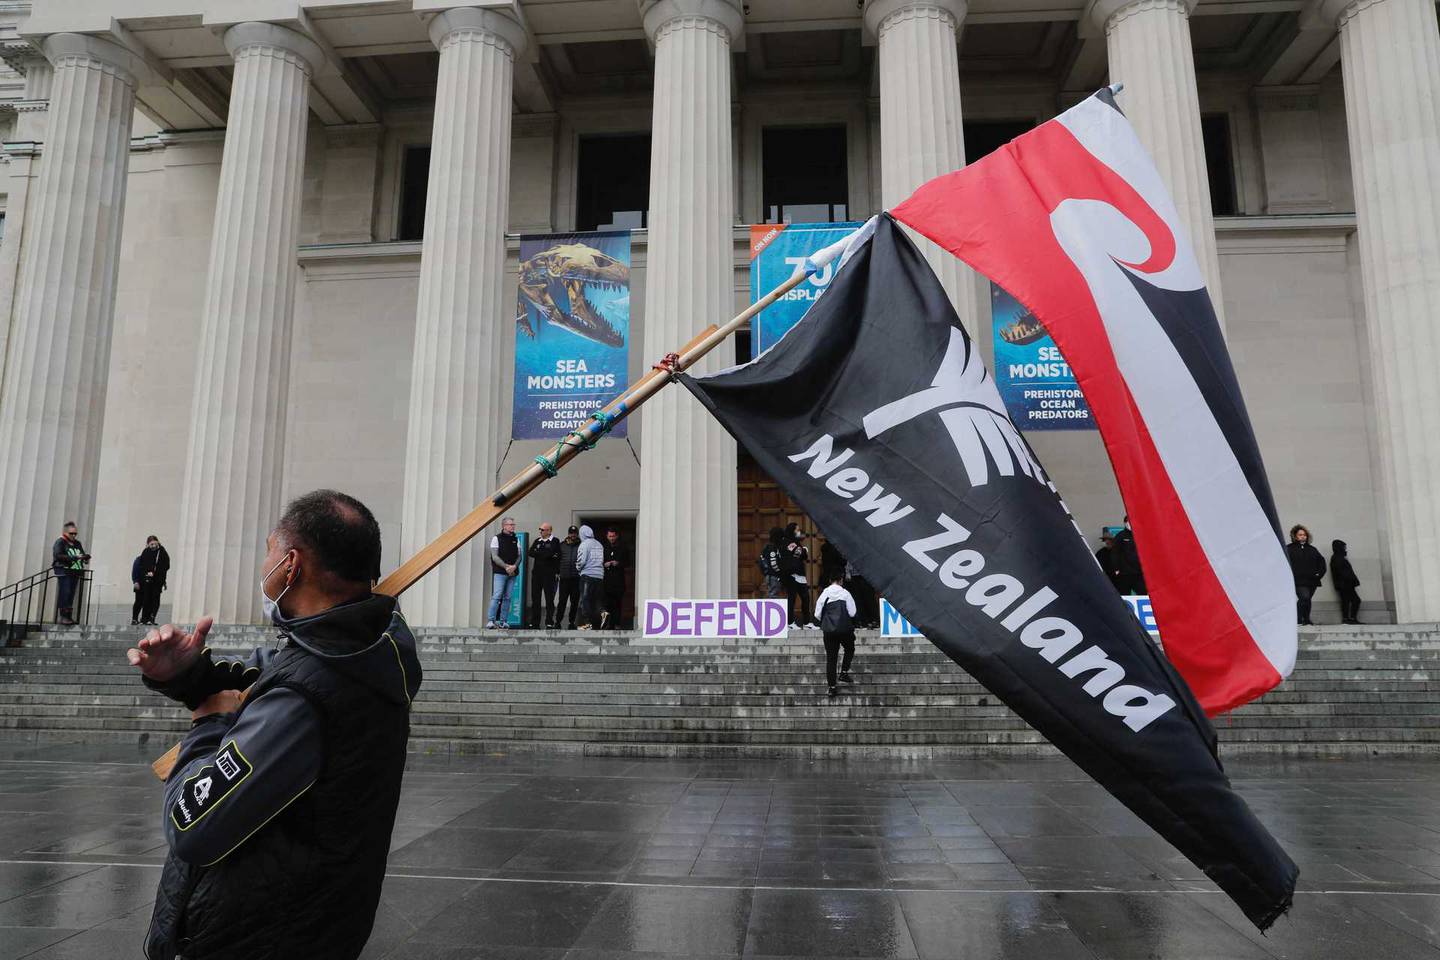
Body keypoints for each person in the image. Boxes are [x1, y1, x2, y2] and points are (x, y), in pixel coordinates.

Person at [126, 489, 422, 960]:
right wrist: (186, 675)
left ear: (290, 564)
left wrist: (209, 723)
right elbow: (266, 672)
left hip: (254, 935)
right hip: (313, 922)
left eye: (268, 549)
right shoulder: (360, 649)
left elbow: (192, 824)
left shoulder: (306, 695)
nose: (263, 562)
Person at [814, 572, 857, 698]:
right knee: (850, 648)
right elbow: (853, 612)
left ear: (830, 579)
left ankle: (832, 687)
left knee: (831, 658)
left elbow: (817, 613)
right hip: (844, 630)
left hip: (829, 631)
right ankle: (843, 672)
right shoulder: (845, 593)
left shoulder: (825, 593)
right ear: (841, 580)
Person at [1286, 524, 1326, 625]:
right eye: (1300, 535)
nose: (1303, 536)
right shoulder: (1289, 549)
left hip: (1312, 580)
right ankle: (1298, 619)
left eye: (1304, 535)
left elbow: (1322, 563)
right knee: (1304, 598)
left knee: (1307, 600)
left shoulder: (1312, 549)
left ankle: (1306, 619)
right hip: (1298, 580)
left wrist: (1319, 574)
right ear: (1295, 536)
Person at [51, 521, 90, 625]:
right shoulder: (60, 542)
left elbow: (81, 553)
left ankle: (68, 616)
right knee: (65, 592)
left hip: (75, 570)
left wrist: (85, 557)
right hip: (63, 570)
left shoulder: (77, 543)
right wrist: (74, 557)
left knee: (71, 593)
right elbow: (58, 555)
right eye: (71, 533)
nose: (73, 535)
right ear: (65, 533)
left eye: (75, 533)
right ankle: (63, 616)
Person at [485, 516, 519, 629]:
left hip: (512, 573)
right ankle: (491, 620)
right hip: (500, 572)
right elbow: (495, 556)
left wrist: (514, 566)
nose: (513, 526)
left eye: (513, 525)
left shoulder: (516, 538)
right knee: (497, 595)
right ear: (504, 526)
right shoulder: (496, 538)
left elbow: (520, 555)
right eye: (511, 524)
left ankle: (503, 621)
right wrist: (506, 567)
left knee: (508, 597)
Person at [131, 535, 171, 625]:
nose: (152, 546)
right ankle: (142, 619)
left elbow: (166, 566)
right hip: (146, 581)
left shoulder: (162, 552)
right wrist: (137, 580)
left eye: (154, 543)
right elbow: (140, 566)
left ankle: (151, 618)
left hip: (157, 581)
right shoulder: (145, 553)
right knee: (144, 600)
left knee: (155, 599)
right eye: (151, 544)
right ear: (148, 545)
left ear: (157, 542)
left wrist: (161, 579)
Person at [528, 522, 561, 628]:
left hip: (549, 574)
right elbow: (531, 552)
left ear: (549, 531)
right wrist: (546, 554)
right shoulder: (537, 541)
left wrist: (542, 553)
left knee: (549, 598)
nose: (540, 531)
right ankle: (535, 621)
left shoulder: (555, 541)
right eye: (540, 529)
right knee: (535, 598)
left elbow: (555, 554)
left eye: (542, 530)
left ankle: (549, 620)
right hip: (537, 574)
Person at [784, 522, 815, 629]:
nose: (798, 532)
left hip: (800, 575)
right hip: (792, 575)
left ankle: (806, 623)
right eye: (796, 530)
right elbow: (799, 553)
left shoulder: (796, 542)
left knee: (806, 599)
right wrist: (804, 550)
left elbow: (802, 555)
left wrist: (803, 551)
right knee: (791, 599)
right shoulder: (788, 542)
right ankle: (790, 622)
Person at [575, 524, 604, 630]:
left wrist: (578, 569)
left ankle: (587, 623)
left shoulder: (584, 545)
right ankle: (603, 612)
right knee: (597, 599)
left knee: (585, 599)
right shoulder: (599, 544)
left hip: (587, 575)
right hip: (600, 576)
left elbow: (581, 561)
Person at [601, 527, 629, 629]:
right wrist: (605, 564)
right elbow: (599, 562)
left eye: (613, 536)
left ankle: (617, 623)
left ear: (616, 536)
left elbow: (628, 562)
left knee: (618, 603)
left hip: (618, 581)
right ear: (607, 536)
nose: (611, 538)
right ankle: (608, 624)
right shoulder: (603, 548)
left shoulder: (623, 548)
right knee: (608, 604)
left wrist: (618, 563)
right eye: (610, 536)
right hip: (607, 581)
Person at [555, 525, 582, 629]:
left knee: (574, 601)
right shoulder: (562, 545)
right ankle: (558, 621)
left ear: (577, 534)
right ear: (568, 533)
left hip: (576, 578)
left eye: (575, 533)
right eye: (571, 533)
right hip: (564, 577)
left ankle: (571, 621)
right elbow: (557, 560)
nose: (573, 535)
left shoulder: (582, 545)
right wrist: (557, 572)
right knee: (562, 601)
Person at [1330, 539, 1362, 625]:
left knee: (1347, 601)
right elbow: (1344, 573)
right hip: (1345, 584)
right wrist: (1352, 581)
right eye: (1344, 547)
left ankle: (1348, 618)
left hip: (1344, 584)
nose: (1345, 549)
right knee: (1353, 600)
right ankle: (1350, 618)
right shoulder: (1338, 558)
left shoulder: (1337, 558)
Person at [1112, 516, 1145, 595]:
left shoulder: (1139, 535)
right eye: (1128, 522)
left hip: (1138, 573)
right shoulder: (1120, 536)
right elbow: (1115, 553)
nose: (1130, 524)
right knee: (1124, 594)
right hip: (1124, 573)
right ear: (1125, 523)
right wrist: (1116, 568)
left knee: (1143, 592)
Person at [760, 527, 787, 600]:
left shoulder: (767, 547)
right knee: (773, 597)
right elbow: (774, 563)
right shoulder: (774, 548)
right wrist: (781, 573)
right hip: (775, 576)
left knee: (772, 595)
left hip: (769, 575)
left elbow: (762, 560)